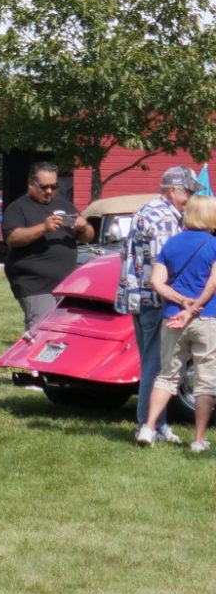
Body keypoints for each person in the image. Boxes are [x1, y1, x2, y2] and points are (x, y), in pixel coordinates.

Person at [118, 167, 194, 440]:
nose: (191, 199)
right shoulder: (164, 219)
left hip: (138, 297)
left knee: (152, 362)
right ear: (173, 190)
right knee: (156, 364)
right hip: (154, 300)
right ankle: (151, 425)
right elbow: (165, 265)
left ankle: (155, 423)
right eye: (188, 192)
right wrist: (181, 299)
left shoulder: (146, 209)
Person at [139, 193, 216, 451]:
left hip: (171, 317)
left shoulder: (171, 244)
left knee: (167, 375)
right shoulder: (214, 244)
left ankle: (148, 427)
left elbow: (156, 282)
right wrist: (193, 307)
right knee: (206, 379)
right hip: (207, 317)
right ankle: (197, 440)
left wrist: (181, 303)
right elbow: (212, 284)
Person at [1, 160, 94, 330]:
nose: (49, 191)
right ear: (31, 184)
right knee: (42, 333)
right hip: (35, 285)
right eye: (44, 187)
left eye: (54, 186)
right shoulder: (18, 208)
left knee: (65, 333)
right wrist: (44, 228)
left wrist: (84, 226)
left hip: (67, 285)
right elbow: (12, 239)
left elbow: (89, 237)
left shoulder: (65, 205)